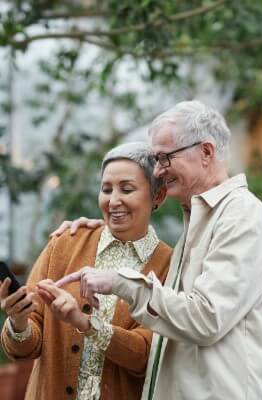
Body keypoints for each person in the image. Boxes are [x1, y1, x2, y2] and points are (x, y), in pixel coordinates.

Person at [54, 100, 262, 400]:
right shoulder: (202, 221)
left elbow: (206, 318)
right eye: (156, 160)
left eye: (165, 158)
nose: (159, 172)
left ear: (206, 152)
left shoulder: (241, 216)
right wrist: (104, 229)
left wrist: (118, 282)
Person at [0, 142, 172, 400]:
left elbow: (148, 357)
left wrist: (85, 323)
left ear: (157, 196)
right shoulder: (65, 242)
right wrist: (19, 321)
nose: (113, 201)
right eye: (106, 189)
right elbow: (24, 348)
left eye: (127, 189)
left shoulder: (169, 265)